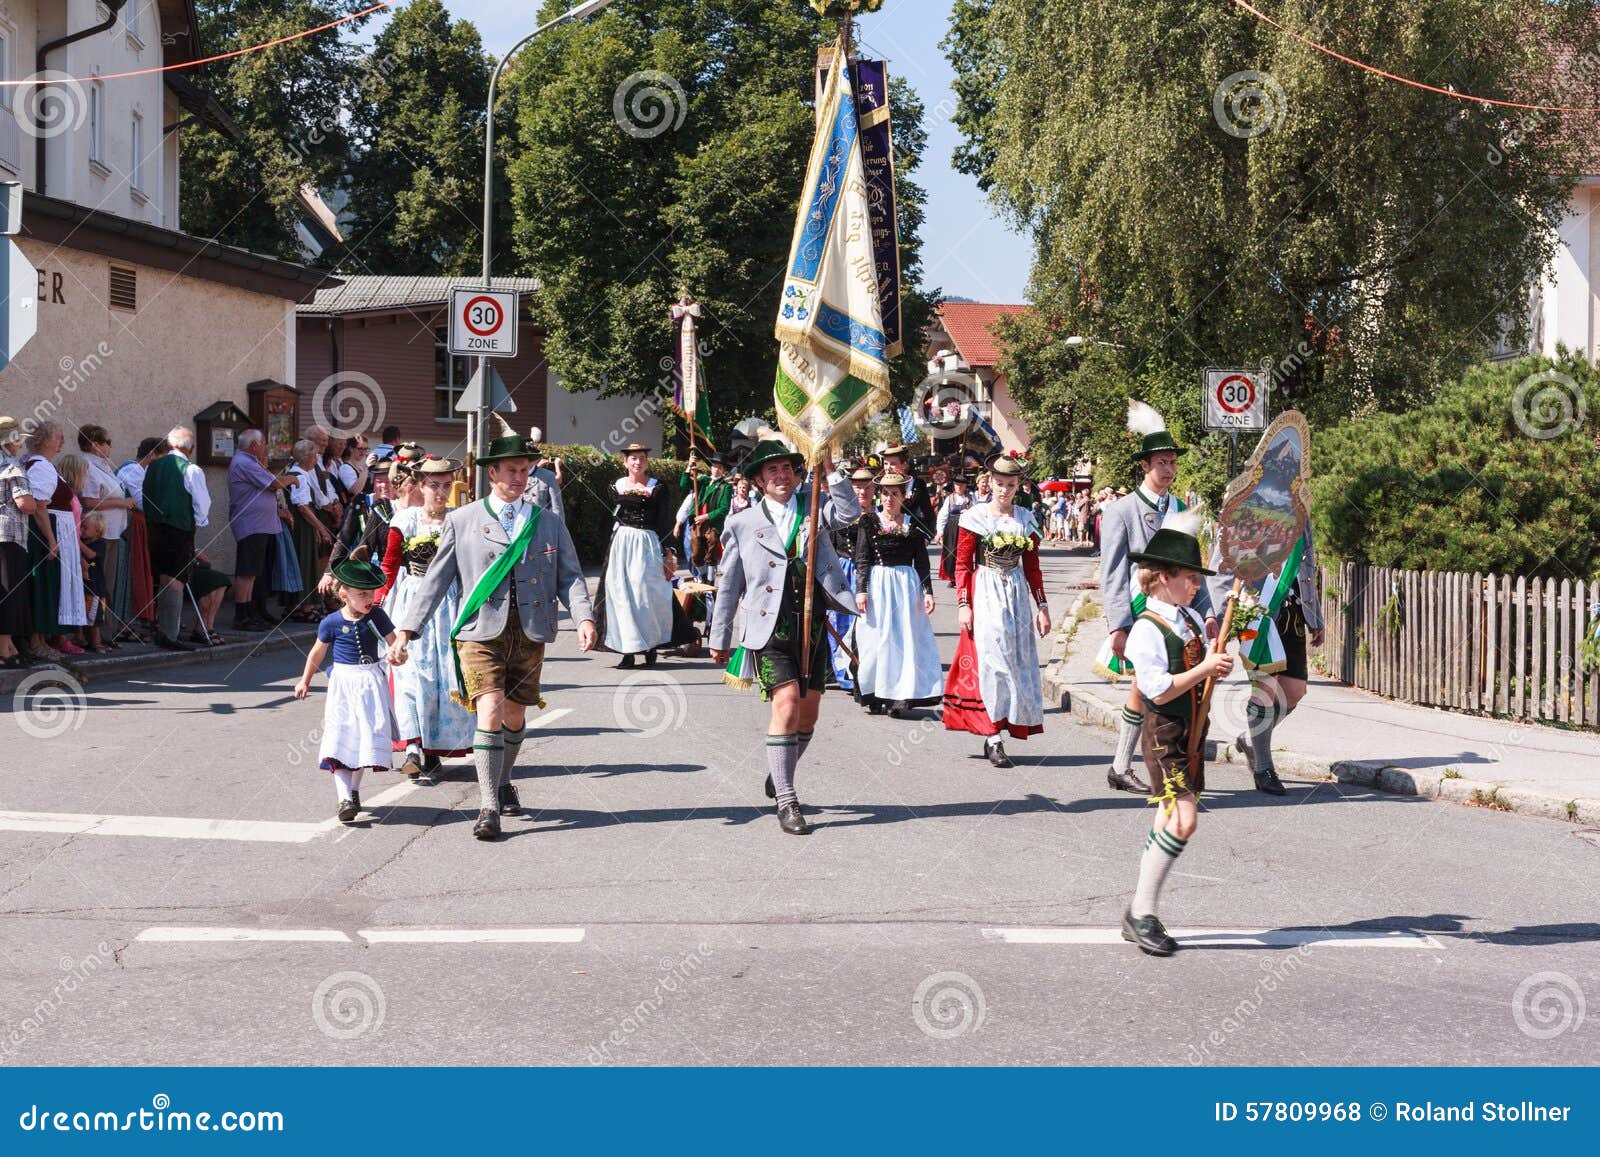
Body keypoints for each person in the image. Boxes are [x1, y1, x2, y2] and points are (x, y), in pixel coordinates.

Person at [389, 429, 596, 841]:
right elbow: (435, 579)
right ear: (493, 473)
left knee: (515, 714)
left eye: (525, 469)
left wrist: (585, 617)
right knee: (490, 709)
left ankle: (503, 780)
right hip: (479, 630)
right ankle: (487, 807)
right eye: (511, 470)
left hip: (530, 630)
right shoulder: (463, 520)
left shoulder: (547, 523)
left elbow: (570, 576)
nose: (519, 477)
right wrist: (405, 631)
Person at [708, 439, 858, 836]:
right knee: (787, 702)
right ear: (758, 480)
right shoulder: (742, 523)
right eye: (772, 471)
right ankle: (788, 799)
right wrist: (719, 634)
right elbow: (729, 584)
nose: (781, 476)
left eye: (787, 469)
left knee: (808, 714)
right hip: (769, 626)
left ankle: (781, 771)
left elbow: (851, 511)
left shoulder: (815, 504)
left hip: (812, 623)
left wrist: (828, 468)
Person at [1119, 513, 1233, 956]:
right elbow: (1158, 688)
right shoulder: (1147, 629)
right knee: (1184, 820)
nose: (1196, 586)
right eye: (1189, 577)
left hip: (1189, 730)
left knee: (1168, 818)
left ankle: (1138, 911)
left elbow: (1194, 675)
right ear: (1163, 577)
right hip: (1164, 735)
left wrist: (1213, 661)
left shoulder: (1184, 617)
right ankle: (1142, 912)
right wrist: (1204, 667)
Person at [1098, 402, 1215, 794]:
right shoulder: (1122, 511)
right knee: (1147, 688)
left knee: (1157, 690)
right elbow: (1112, 571)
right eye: (1161, 462)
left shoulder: (1181, 509)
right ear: (1145, 465)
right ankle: (1132, 766)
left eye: (1172, 462)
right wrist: (1118, 624)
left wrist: (1208, 613)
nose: (1168, 470)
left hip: (1177, 614)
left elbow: (1191, 568)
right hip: (1141, 613)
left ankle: (1137, 766)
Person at [942, 454, 1051, 767]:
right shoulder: (975, 517)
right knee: (993, 660)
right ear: (989, 482)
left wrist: (1042, 606)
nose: (1004, 490)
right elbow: (962, 563)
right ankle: (992, 736)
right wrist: (964, 604)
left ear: (1018, 486)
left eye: (1010, 485)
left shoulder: (1025, 518)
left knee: (1016, 662)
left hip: (1015, 591)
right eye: (999, 483)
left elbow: (1033, 568)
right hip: (986, 588)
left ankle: (1005, 722)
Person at [1208, 526, 1324, 796]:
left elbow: (1308, 568)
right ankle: (1264, 768)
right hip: (1256, 612)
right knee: (1266, 689)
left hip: (1293, 613)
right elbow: (1219, 568)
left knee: (1294, 692)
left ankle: (1251, 738)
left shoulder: (1301, 511)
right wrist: (1217, 615)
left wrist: (1315, 617)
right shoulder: (1246, 510)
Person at [380, 458, 475, 778]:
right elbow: (390, 566)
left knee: (441, 681)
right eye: (434, 485)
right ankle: (412, 747)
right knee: (410, 678)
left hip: (448, 607)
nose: (440, 492)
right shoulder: (405, 520)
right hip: (411, 606)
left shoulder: (460, 521)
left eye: (447, 486)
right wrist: (374, 603)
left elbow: (470, 569)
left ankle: (432, 747)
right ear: (420, 485)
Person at [294, 548, 398, 824]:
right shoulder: (331, 622)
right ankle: (344, 798)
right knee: (341, 737)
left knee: (363, 739)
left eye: (371, 593)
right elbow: (317, 652)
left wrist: (400, 653)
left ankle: (353, 793)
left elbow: (394, 642)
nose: (369, 598)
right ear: (344, 596)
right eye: (362, 594)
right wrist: (305, 680)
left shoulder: (377, 617)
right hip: (344, 684)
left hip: (371, 682)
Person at [853, 470, 943, 717]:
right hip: (878, 583)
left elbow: (922, 562)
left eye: (895, 494)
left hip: (906, 585)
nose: (889, 499)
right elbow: (862, 557)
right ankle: (874, 693)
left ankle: (897, 697)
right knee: (875, 640)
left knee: (904, 641)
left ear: (904, 496)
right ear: (879, 495)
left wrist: (927, 592)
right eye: (885, 494)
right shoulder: (869, 522)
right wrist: (861, 590)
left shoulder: (912, 525)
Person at [593, 442, 675, 668]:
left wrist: (668, 550)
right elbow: (608, 517)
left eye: (641, 458)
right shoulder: (615, 485)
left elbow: (664, 520)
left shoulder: (658, 487)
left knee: (644, 595)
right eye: (633, 458)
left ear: (646, 461)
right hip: (621, 543)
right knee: (620, 595)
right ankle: (627, 650)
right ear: (625, 461)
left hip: (646, 542)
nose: (637, 462)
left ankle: (649, 644)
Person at [142, 426, 212, 652]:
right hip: (178, 528)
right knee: (175, 580)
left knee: (162, 577)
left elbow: (146, 496)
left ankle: (162, 630)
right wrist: (198, 522)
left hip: (154, 527)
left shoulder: (152, 466)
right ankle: (169, 634)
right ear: (190, 448)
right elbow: (202, 504)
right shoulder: (190, 469)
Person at [229, 429, 294, 631]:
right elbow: (273, 484)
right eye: (264, 443)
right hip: (252, 524)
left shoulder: (251, 461)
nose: (266, 446)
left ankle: (251, 613)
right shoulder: (244, 462)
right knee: (247, 571)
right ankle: (242, 616)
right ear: (254, 445)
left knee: (254, 573)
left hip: (261, 524)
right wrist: (292, 478)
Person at [77, 426, 136, 643]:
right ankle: (98, 636)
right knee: (101, 586)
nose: (110, 445)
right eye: (107, 441)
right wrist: (122, 502)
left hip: (112, 532)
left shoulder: (101, 464)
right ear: (95, 444)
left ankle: (106, 633)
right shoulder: (87, 465)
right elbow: (89, 500)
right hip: (100, 533)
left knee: (108, 586)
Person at [21, 422, 70, 658]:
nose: (62, 441)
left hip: (39, 528)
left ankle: (40, 639)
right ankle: (35, 641)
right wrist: (51, 540)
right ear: (46, 440)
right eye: (58, 437)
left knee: (43, 583)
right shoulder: (40, 466)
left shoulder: (40, 464)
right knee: (40, 583)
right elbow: (40, 507)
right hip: (40, 529)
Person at [827, 465, 874, 692]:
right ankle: (843, 669)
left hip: (871, 573)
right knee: (839, 620)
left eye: (867, 487)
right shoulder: (840, 515)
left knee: (866, 622)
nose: (862, 492)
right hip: (843, 569)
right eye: (857, 487)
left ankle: (866, 669)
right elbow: (830, 544)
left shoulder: (878, 517)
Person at [115, 437, 165, 634]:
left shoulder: (145, 471)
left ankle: (141, 618)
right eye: (161, 458)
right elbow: (143, 503)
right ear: (152, 454)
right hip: (128, 528)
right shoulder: (131, 470)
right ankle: (126, 622)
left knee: (143, 573)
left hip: (140, 527)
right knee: (130, 574)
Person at [0, 417, 37, 667]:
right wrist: (35, 503)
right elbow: (24, 503)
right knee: (9, 593)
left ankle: (10, 647)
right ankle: (4, 650)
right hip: (9, 535)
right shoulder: (11, 466)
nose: (20, 446)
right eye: (17, 441)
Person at [285, 439, 336, 621]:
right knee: (305, 565)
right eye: (314, 455)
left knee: (302, 564)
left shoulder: (297, 473)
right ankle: (303, 607)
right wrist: (321, 527)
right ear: (306, 457)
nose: (316, 458)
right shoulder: (300, 475)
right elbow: (303, 507)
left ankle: (297, 606)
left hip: (302, 526)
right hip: (301, 528)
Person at [51, 453, 95, 651]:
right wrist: (81, 556)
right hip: (67, 549)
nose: (86, 476)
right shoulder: (66, 495)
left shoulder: (71, 494)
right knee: (63, 591)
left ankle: (69, 636)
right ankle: (60, 639)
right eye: (84, 472)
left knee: (71, 592)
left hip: (73, 549)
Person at [879, 443, 937, 540]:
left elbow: (928, 513)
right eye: (886, 463)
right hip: (884, 534)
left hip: (909, 535)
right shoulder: (880, 484)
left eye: (893, 464)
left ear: (904, 465)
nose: (888, 468)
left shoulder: (917, 485)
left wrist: (927, 536)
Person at [935, 474, 975, 586]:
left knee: (965, 553)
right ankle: (952, 577)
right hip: (951, 529)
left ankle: (964, 576)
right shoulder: (949, 498)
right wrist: (940, 532)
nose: (959, 486)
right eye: (957, 484)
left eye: (961, 484)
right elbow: (942, 516)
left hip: (966, 529)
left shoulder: (971, 498)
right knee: (951, 552)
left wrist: (969, 513)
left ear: (965, 486)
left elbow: (977, 513)